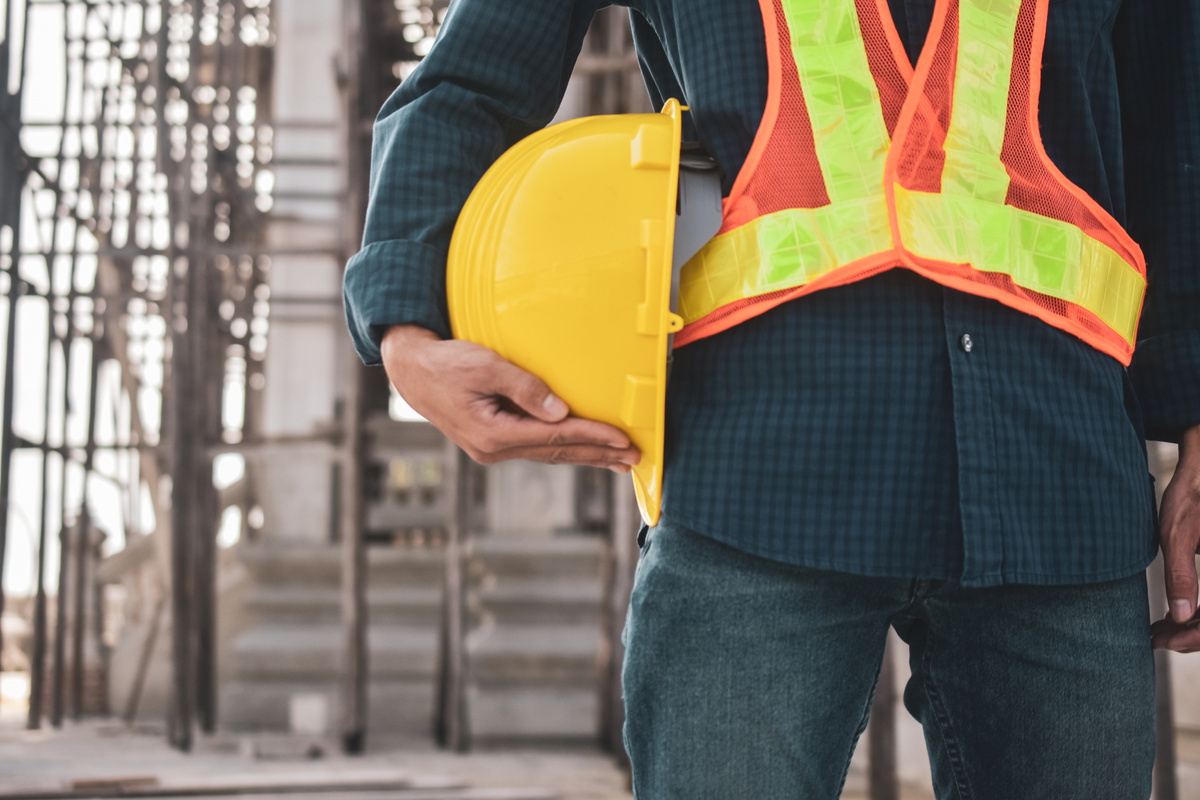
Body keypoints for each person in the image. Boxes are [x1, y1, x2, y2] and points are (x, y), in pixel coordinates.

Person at [343, 1, 1200, 797]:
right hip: (757, 487)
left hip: (1057, 488)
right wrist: (405, 329)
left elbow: (1180, 139)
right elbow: (469, 83)